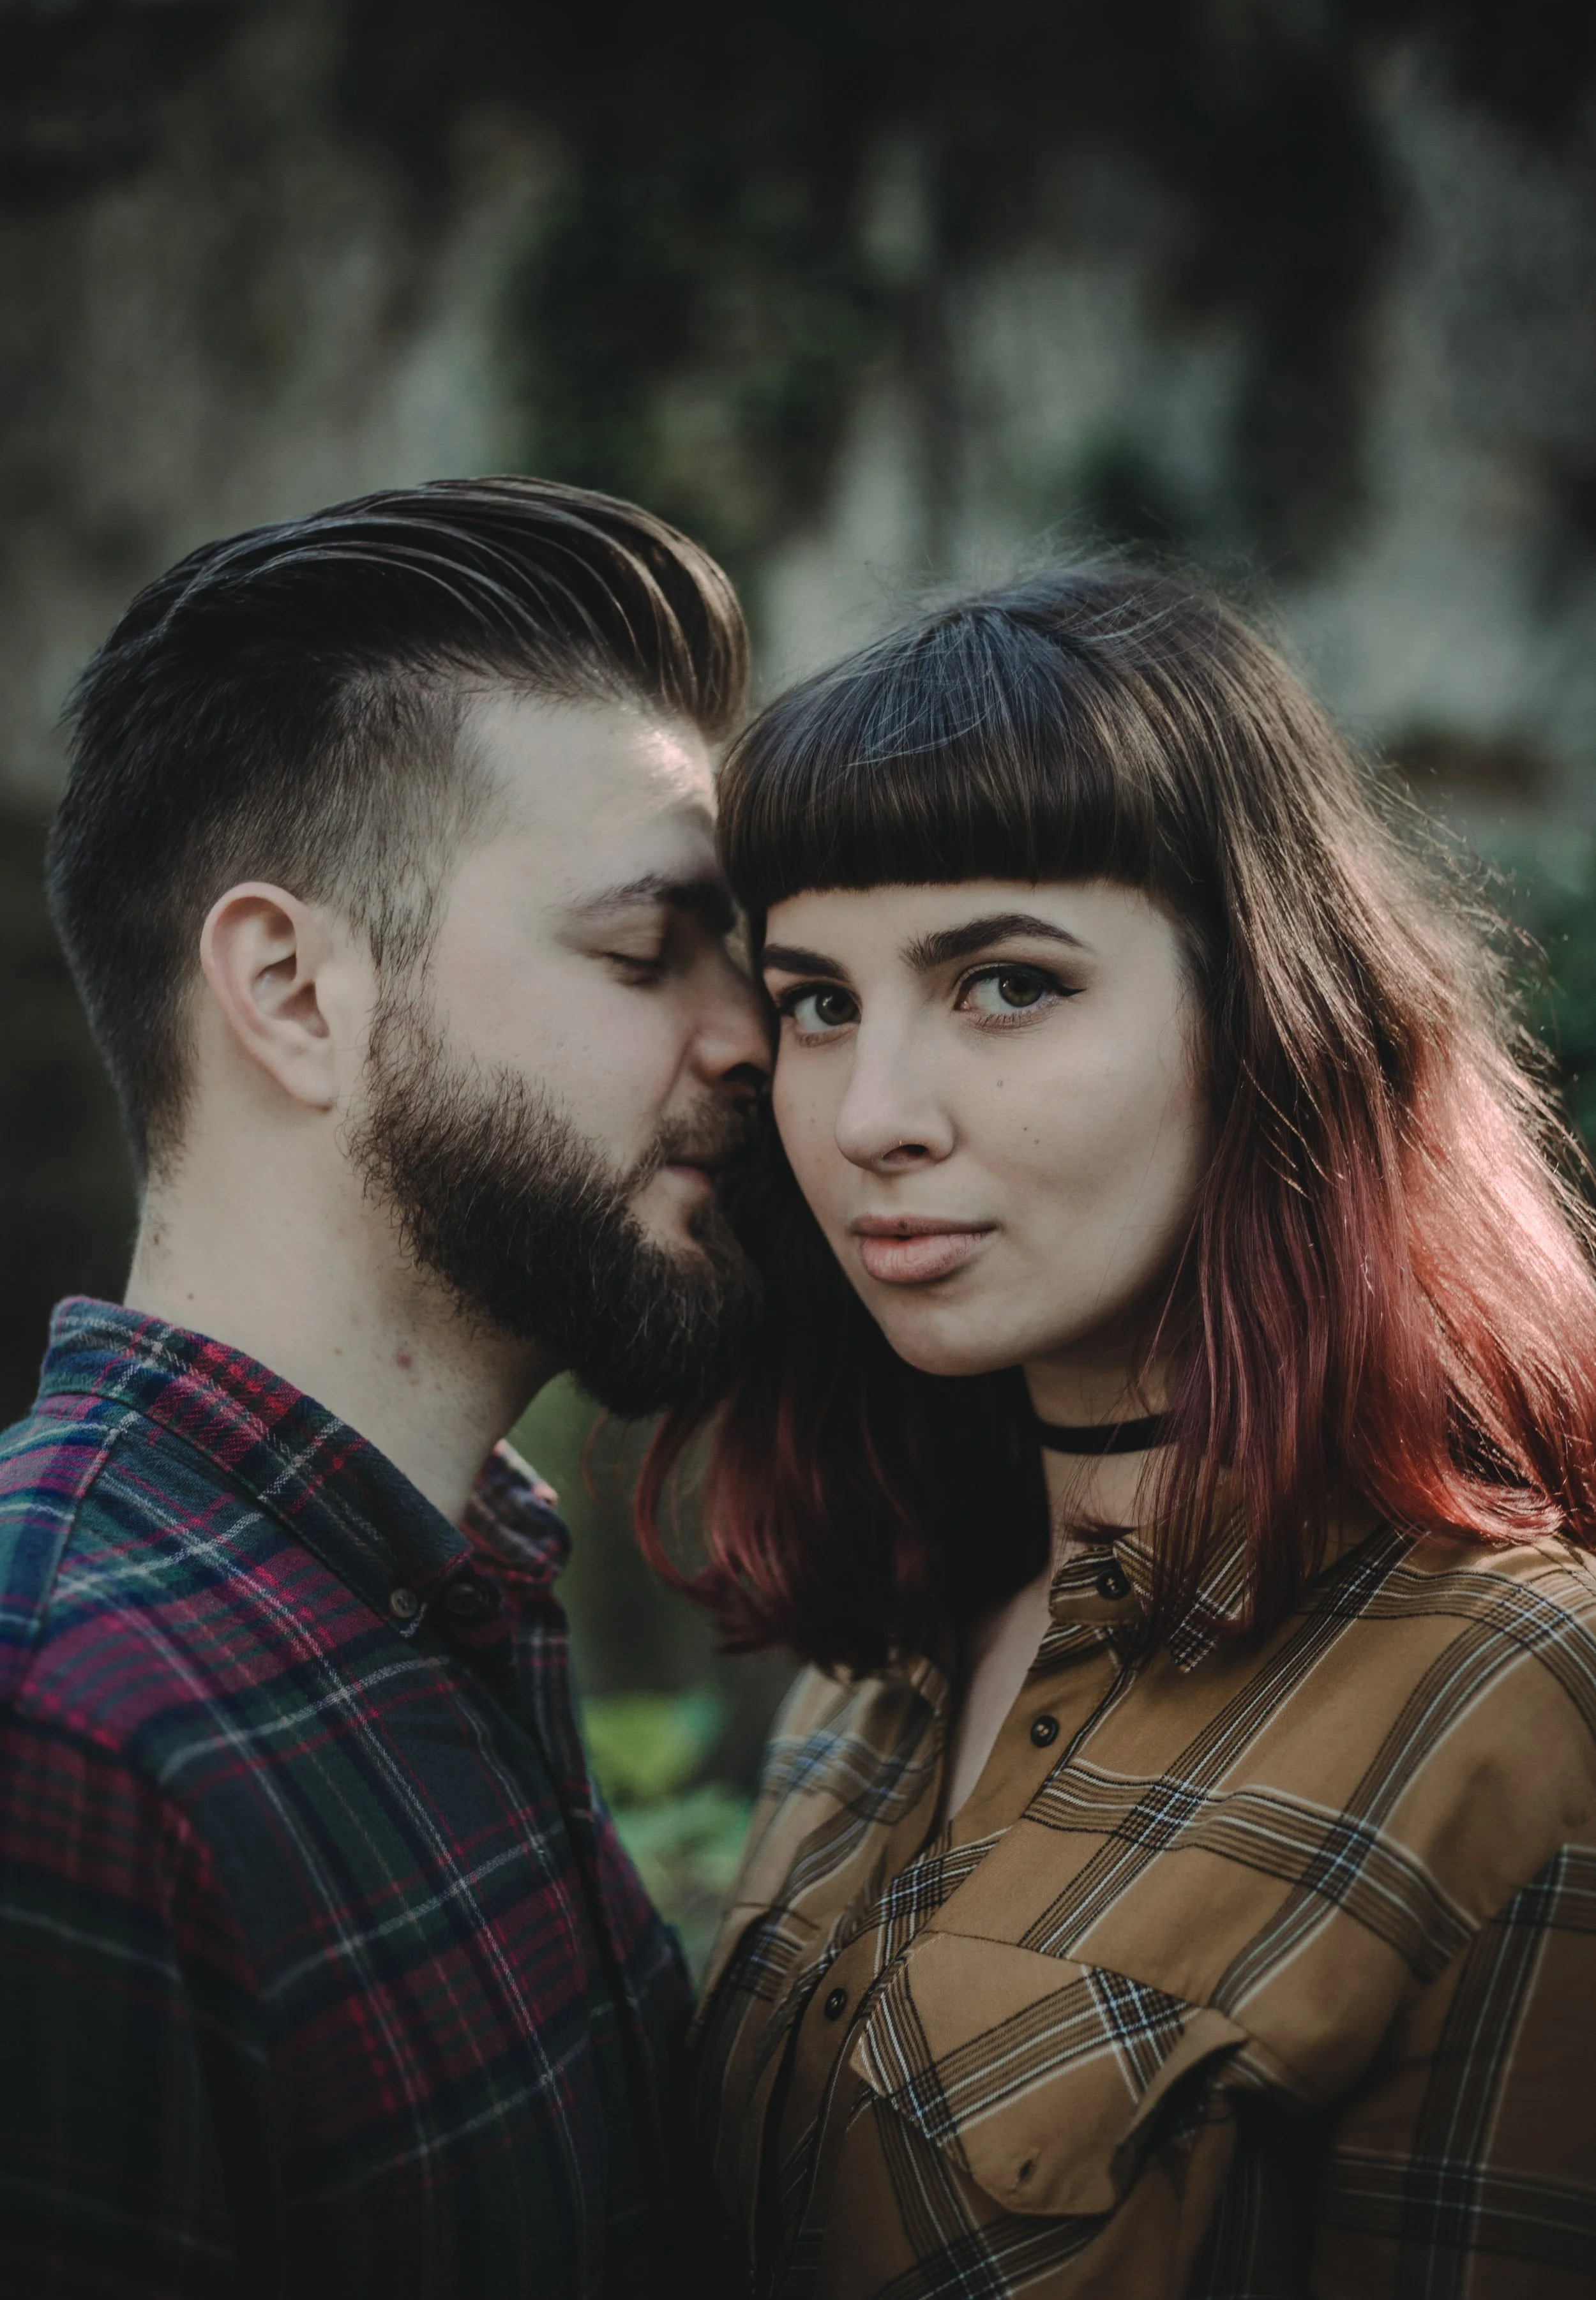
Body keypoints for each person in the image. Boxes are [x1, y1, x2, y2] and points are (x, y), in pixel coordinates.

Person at [640, 566, 1596, 2298]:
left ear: (1271, 1014)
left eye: (1005, 983)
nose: (870, 1118)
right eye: (817, 1001)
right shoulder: (885, 1656)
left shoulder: (1509, 1698)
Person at [0, 477, 771, 2298]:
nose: (750, 1036)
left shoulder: (446, 1586)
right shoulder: (58, 1719)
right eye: (644, 951)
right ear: (292, 990)